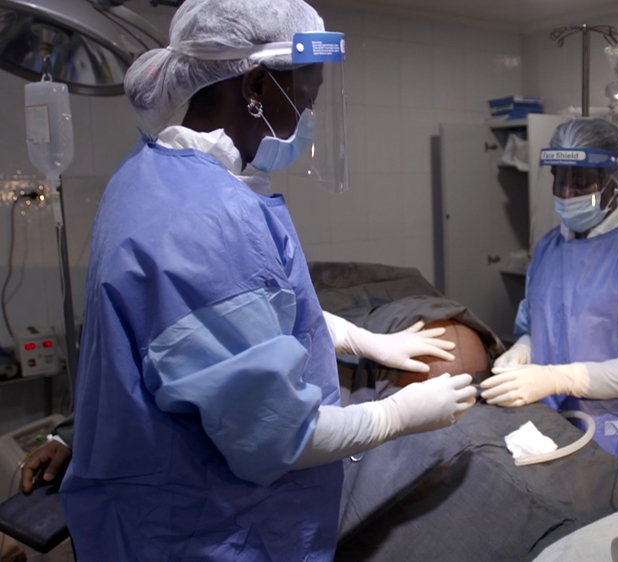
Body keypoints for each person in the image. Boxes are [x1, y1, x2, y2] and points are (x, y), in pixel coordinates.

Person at [58, 0, 476, 559]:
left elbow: (234, 318)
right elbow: (277, 437)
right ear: (254, 83)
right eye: (304, 99)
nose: (306, 119)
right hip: (206, 533)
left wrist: (357, 338)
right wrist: (397, 415)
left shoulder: (152, 175)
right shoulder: (206, 219)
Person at [480, 118, 618, 495]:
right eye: (559, 179)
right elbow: (541, 325)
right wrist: (523, 351)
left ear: (613, 182)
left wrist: (559, 378)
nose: (567, 192)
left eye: (581, 181)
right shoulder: (551, 248)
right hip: (556, 434)